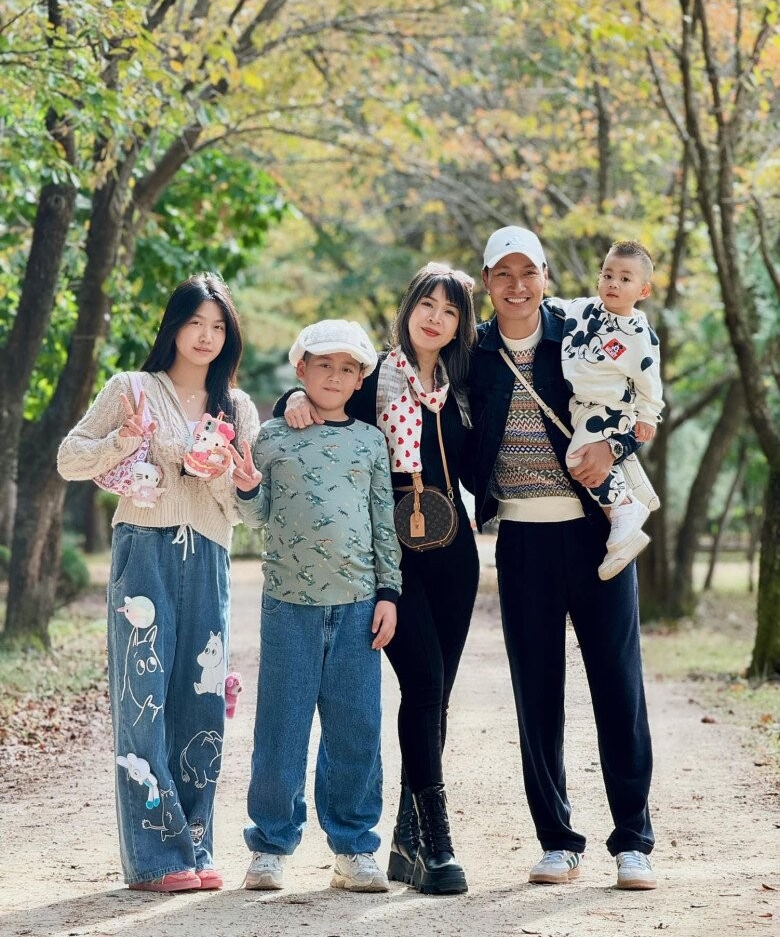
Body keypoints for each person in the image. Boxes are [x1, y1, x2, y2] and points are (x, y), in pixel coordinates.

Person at [279, 264, 479, 896]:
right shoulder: (373, 379)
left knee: (437, 696)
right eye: (427, 304)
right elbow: (321, 398)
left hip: (455, 553)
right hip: (391, 557)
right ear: (408, 308)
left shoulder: (461, 386)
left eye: (450, 310)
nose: (436, 318)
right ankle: (438, 844)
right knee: (422, 684)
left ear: (460, 324)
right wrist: (293, 403)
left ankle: (406, 842)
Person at [467, 226, 656, 892]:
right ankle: (557, 841)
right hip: (523, 540)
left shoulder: (580, 328)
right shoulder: (473, 351)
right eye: (503, 274)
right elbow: (397, 376)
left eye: (529, 272)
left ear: (546, 276)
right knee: (537, 693)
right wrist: (298, 399)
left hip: (597, 530)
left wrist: (616, 448)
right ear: (487, 282)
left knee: (618, 686)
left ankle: (633, 841)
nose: (517, 285)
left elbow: (637, 386)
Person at [57, 273, 260, 893]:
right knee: (142, 701)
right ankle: (155, 858)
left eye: (218, 326)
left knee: (201, 703)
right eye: (195, 322)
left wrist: (229, 474)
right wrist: (123, 441)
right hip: (143, 555)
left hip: (209, 557)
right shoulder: (132, 389)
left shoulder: (238, 408)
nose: (206, 336)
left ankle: (197, 846)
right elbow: (69, 457)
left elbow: (248, 511)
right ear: (173, 326)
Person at [231, 319, 402, 894]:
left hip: (358, 605)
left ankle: (353, 848)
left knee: (356, 728)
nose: (334, 376)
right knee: (281, 727)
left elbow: (383, 523)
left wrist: (389, 593)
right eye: (323, 365)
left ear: (360, 379)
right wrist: (247, 486)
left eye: (347, 368)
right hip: (288, 605)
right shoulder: (272, 437)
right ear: (301, 369)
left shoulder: (370, 441)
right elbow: (255, 516)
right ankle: (270, 845)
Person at [551, 240, 664, 580]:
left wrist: (648, 415)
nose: (613, 283)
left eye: (625, 279)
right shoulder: (584, 309)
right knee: (583, 456)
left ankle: (624, 509)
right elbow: (557, 307)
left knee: (577, 459)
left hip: (612, 407)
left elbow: (649, 380)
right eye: (608, 275)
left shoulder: (638, 335)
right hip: (582, 405)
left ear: (643, 290)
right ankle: (631, 490)